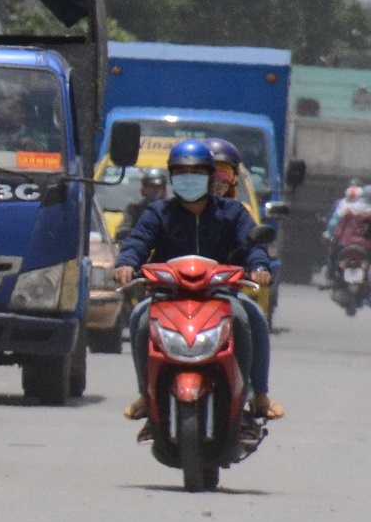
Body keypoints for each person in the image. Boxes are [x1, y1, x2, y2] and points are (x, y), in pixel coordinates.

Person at [114, 136, 280, 422]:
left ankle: (260, 396)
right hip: (169, 294)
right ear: (171, 177)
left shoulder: (233, 212)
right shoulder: (157, 213)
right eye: (181, 173)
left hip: (222, 293)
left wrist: (259, 266)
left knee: (251, 317)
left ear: (209, 176)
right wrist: (127, 263)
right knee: (140, 318)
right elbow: (137, 241)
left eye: (196, 173)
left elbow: (253, 245)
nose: (188, 179)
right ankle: (146, 393)